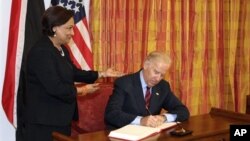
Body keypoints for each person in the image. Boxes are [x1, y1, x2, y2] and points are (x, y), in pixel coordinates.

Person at [23, 6, 123, 141]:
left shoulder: (61, 48)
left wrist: (102, 74)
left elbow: (74, 72)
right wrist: (82, 90)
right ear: (54, 28)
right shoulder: (41, 52)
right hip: (44, 122)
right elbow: (55, 87)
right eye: (68, 28)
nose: (73, 33)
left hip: (61, 118)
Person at [105, 51, 190, 130]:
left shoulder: (163, 86)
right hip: (125, 134)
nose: (158, 78)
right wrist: (140, 121)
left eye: (162, 75)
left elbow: (183, 111)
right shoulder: (124, 83)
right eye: (156, 72)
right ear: (146, 65)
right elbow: (111, 114)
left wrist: (164, 117)